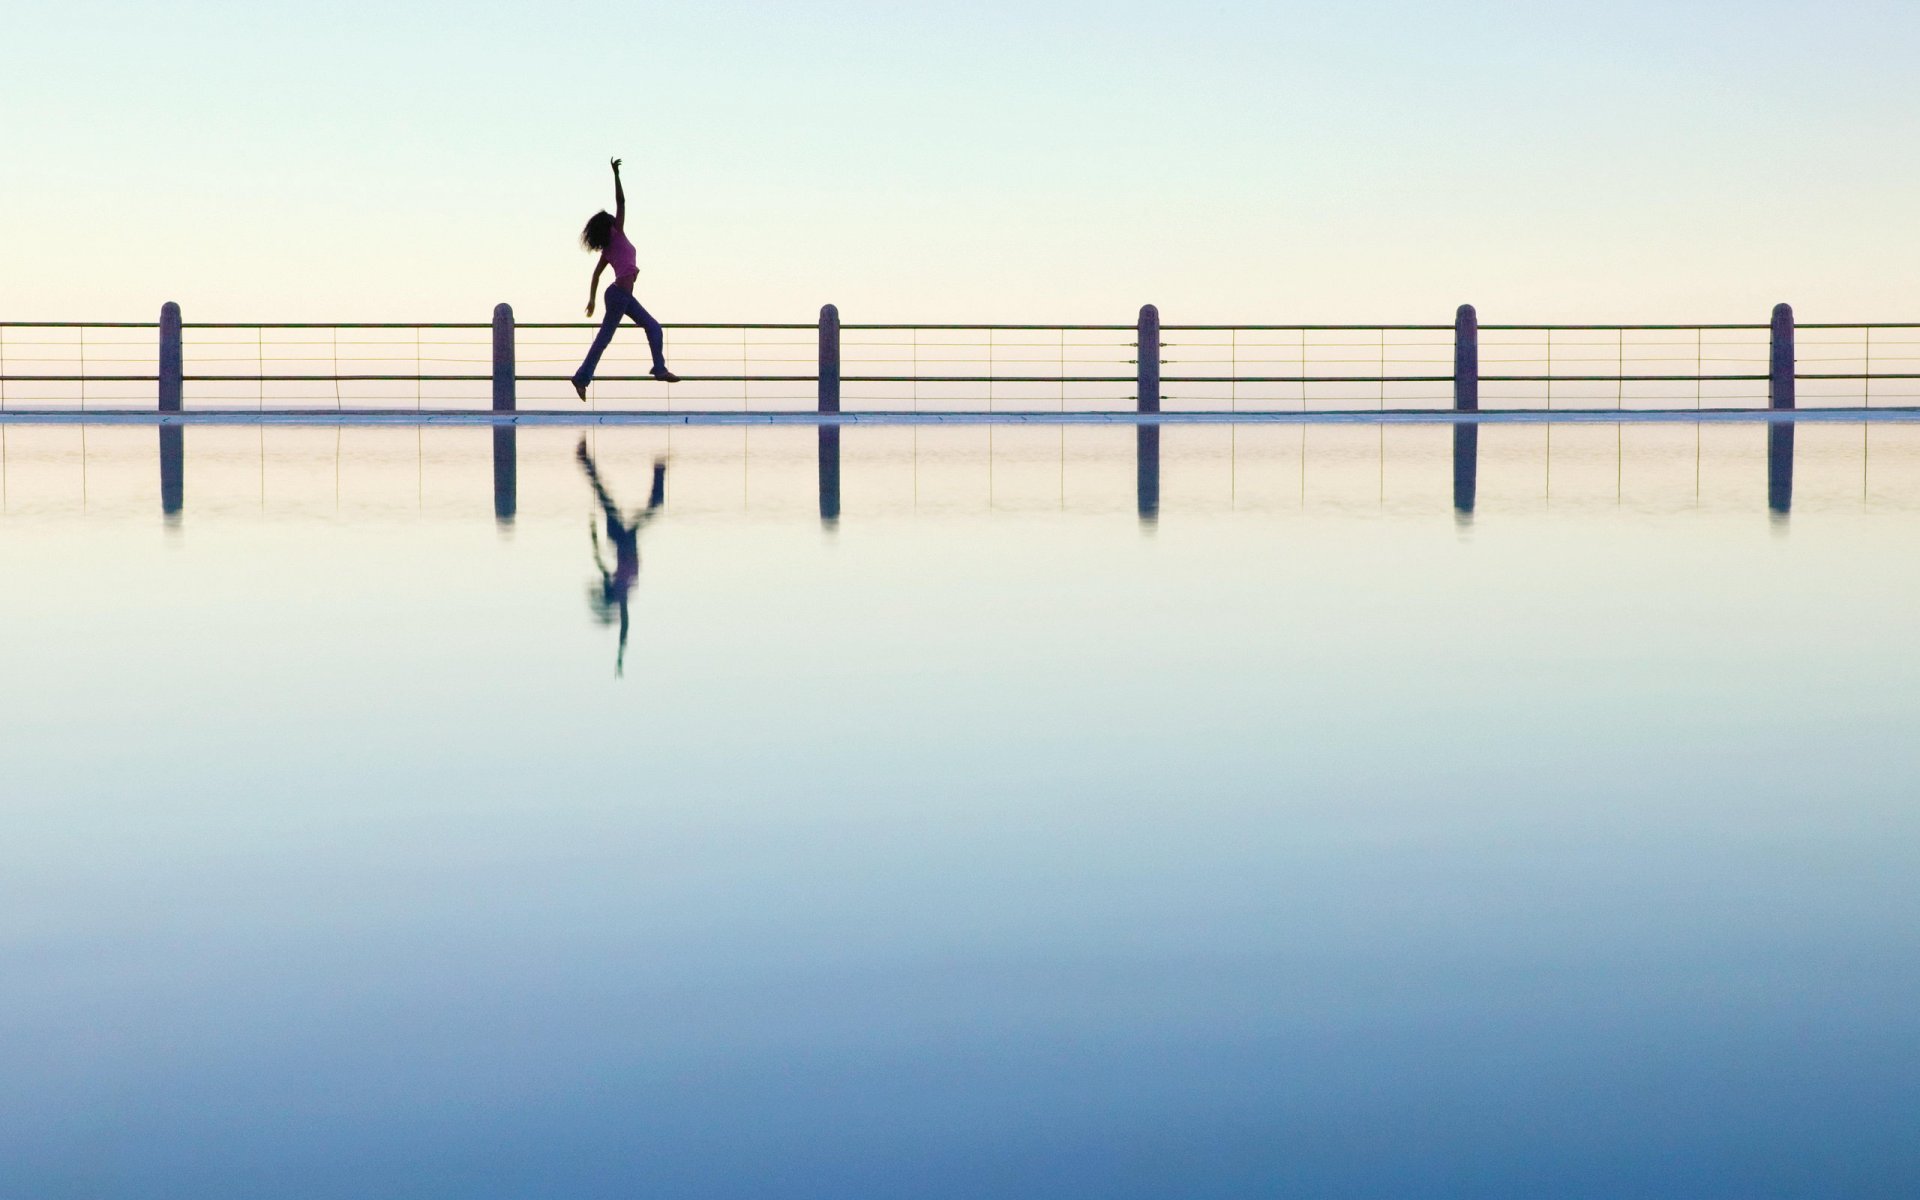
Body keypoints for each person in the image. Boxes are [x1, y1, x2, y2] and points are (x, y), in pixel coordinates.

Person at [572, 157, 680, 400]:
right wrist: (616, 175)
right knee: (604, 338)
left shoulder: (611, 246)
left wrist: (592, 300)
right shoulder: (616, 233)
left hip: (623, 296)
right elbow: (621, 201)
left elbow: (597, 274)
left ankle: (659, 368)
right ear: (610, 224)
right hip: (619, 296)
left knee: (654, 327)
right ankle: (581, 378)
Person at [577, 438, 666, 677]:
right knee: (606, 498)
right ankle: (585, 461)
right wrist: (620, 656)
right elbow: (625, 627)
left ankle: (585, 461)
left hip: (623, 541)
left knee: (606, 498)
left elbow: (598, 558)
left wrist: (593, 534)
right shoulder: (621, 594)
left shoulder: (618, 590)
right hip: (625, 542)